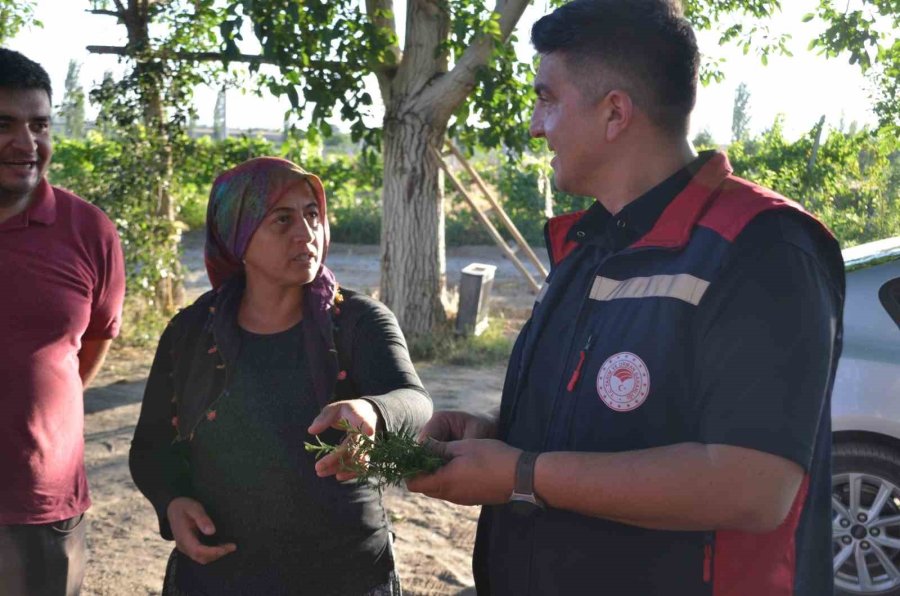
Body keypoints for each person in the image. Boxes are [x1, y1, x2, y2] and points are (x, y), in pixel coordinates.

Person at [407, 1, 845, 595]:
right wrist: (497, 437)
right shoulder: (588, 245)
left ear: (615, 112)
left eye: (547, 99)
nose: (535, 126)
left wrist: (522, 472)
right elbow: (611, 426)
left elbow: (752, 486)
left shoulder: (762, 249)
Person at [130, 156, 431, 595]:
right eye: (282, 219)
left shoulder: (357, 321)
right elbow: (151, 448)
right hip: (220, 576)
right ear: (238, 235)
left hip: (346, 575)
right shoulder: (189, 334)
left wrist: (373, 411)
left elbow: (415, 401)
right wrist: (172, 502)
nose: (306, 233)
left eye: (313, 215)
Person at [0, 49, 126, 596]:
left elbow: (91, 342)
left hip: (44, 505)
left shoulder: (89, 231)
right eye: (3, 125)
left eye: (40, 125)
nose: (26, 143)